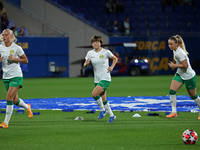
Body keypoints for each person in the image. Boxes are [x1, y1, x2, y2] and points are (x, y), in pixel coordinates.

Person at [0, 29, 33, 128]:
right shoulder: (0, 47)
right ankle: (27, 107)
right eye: (3, 35)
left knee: (8, 98)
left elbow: (25, 60)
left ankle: (6, 123)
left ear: (11, 36)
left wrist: (15, 59)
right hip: (6, 76)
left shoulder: (16, 48)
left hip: (16, 76)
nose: (4, 36)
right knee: (15, 100)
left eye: (6, 35)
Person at [83, 35, 118, 123]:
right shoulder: (90, 53)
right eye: (94, 42)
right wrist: (86, 64)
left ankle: (102, 110)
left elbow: (115, 58)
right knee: (103, 99)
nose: (95, 43)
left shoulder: (106, 52)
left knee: (94, 94)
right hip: (97, 79)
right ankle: (112, 115)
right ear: (92, 44)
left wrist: (112, 67)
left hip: (105, 78)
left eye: (97, 42)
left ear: (100, 43)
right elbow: (85, 64)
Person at [166, 35, 200, 119]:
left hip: (189, 76)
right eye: (169, 44)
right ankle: (174, 112)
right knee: (172, 91)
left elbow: (185, 65)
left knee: (193, 95)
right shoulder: (175, 50)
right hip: (180, 74)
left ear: (176, 44)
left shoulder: (179, 53)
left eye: (171, 44)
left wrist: (174, 65)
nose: (169, 46)